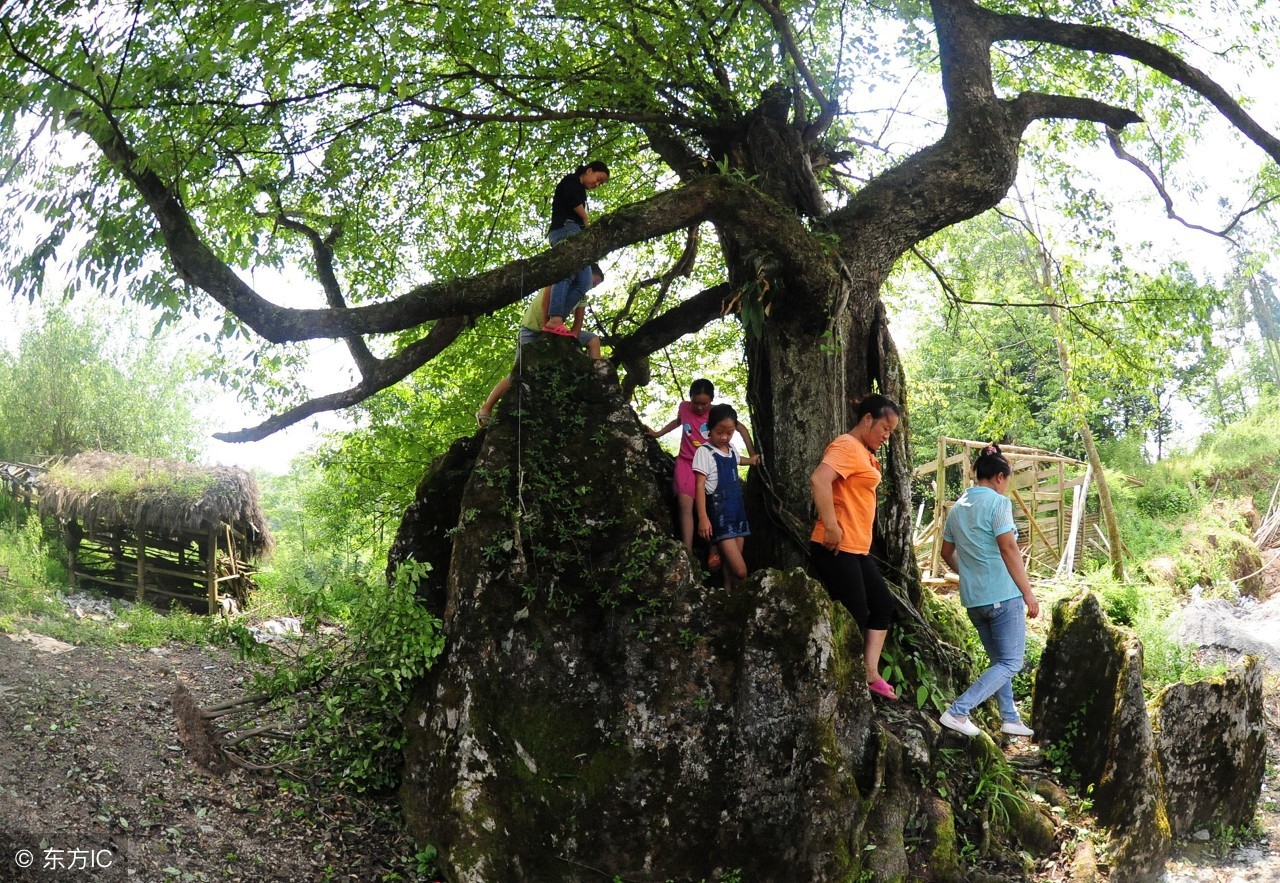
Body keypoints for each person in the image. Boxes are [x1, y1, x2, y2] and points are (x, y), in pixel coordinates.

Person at [937, 444, 1040, 738]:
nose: (1006, 487)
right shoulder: (998, 504)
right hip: (1003, 597)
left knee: (1000, 663)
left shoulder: (957, 508)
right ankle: (958, 711)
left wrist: (969, 573)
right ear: (998, 477)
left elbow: (946, 552)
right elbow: (1009, 548)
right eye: (1007, 481)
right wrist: (1028, 593)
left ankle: (1010, 717)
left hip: (974, 600)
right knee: (1011, 662)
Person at [808, 394, 902, 701]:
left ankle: (869, 673)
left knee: (882, 606)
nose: (887, 435)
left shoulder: (864, 452)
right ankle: (841, 681)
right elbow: (819, 480)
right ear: (867, 419)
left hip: (857, 549)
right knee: (856, 612)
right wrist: (832, 525)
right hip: (836, 545)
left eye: (891, 431)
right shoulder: (847, 446)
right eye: (885, 428)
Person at [476, 264, 604, 426]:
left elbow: (578, 324)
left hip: (555, 331)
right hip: (532, 329)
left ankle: (596, 379)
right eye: (593, 283)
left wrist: (571, 339)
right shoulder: (560, 282)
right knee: (519, 373)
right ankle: (486, 408)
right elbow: (545, 303)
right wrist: (546, 330)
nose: (592, 287)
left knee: (593, 339)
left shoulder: (581, 295)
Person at [645, 380, 758, 563]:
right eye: (695, 402)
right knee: (684, 503)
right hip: (686, 462)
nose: (699, 407)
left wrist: (752, 455)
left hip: (709, 464)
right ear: (690, 399)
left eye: (704, 403)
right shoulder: (684, 408)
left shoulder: (716, 415)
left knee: (713, 505)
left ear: (711, 401)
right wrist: (658, 434)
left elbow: (741, 428)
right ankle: (687, 551)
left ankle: (715, 550)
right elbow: (678, 422)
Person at [693, 403, 759, 590]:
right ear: (710, 428)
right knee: (741, 571)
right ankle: (715, 548)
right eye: (719, 432)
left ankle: (728, 596)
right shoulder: (704, 452)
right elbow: (699, 486)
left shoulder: (731, 450)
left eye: (729, 433)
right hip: (720, 518)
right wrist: (703, 518)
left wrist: (753, 460)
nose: (724, 437)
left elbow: (740, 461)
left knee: (730, 569)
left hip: (738, 514)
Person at [543, 161, 610, 336]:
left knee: (585, 281)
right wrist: (586, 220)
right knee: (567, 270)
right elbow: (572, 199)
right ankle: (555, 317)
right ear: (589, 170)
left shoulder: (581, 190)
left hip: (574, 230)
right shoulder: (572, 181)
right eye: (598, 179)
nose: (597, 184)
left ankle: (556, 321)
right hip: (566, 228)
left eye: (601, 184)